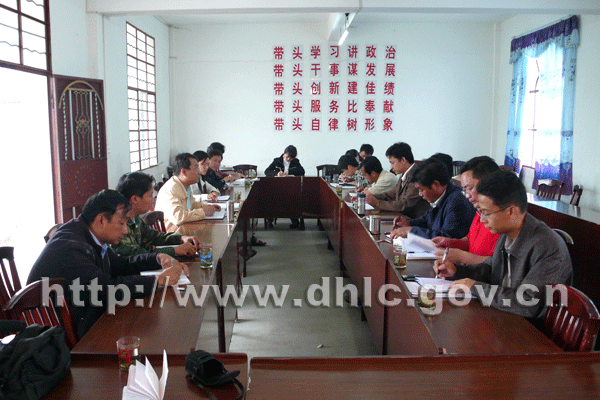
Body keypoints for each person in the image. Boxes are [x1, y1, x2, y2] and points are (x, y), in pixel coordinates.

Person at [27, 190, 187, 338]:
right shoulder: (71, 248)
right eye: (121, 223)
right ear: (101, 220)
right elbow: (107, 288)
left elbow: (121, 264)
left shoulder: (88, 234)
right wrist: (158, 280)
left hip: (85, 314)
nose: (125, 231)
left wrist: (157, 258)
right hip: (59, 338)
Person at [435, 170, 573, 318]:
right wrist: (457, 271)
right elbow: (490, 269)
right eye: (480, 212)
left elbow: (528, 302)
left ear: (511, 211)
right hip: (505, 315)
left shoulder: (546, 246)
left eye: (486, 213)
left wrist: (474, 287)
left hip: (529, 328)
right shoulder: (507, 233)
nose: (482, 220)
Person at [431, 156, 501, 264]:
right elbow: (470, 240)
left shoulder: (501, 216)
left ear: (489, 184)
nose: (468, 196)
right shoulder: (479, 210)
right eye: (465, 191)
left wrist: (463, 257)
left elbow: (500, 265)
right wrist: (452, 242)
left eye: (470, 189)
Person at [113, 171, 201, 257]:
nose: (153, 200)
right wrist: (175, 250)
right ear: (135, 199)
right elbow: (136, 253)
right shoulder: (118, 224)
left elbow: (156, 238)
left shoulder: (136, 219)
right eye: (150, 195)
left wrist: (182, 238)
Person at [390, 157, 475, 239]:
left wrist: (412, 231)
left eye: (421, 190)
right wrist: (408, 223)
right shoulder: (439, 196)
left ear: (435, 185)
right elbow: (427, 220)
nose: (420, 194)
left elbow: (446, 238)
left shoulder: (457, 201)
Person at [155, 153, 219, 232]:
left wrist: (208, 207)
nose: (198, 171)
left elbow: (192, 205)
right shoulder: (171, 188)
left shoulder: (185, 185)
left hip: (184, 230)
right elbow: (178, 217)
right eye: (196, 168)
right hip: (171, 234)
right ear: (184, 171)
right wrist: (203, 212)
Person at [365, 142, 429, 218]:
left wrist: (378, 203)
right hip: (402, 217)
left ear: (403, 160)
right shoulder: (403, 175)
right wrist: (368, 197)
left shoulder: (417, 176)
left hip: (414, 220)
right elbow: (390, 195)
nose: (391, 167)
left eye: (392, 163)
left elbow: (406, 204)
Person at [265, 145, 305, 229]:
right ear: (284, 153)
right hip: (277, 187)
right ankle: (270, 221)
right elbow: (267, 171)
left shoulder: (295, 161)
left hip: (291, 187)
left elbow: (302, 171)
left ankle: (295, 222)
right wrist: (276, 173)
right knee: (271, 197)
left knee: (293, 199)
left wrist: (290, 171)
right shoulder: (277, 161)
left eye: (291, 158)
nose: (288, 159)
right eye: (287, 157)